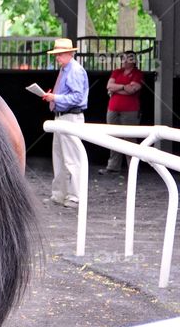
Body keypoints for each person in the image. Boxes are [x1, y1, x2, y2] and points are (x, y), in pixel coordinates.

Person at [42, 38, 89, 208]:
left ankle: (75, 195)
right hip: (62, 116)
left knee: (72, 159)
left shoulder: (74, 70)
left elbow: (77, 97)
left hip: (71, 117)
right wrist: (54, 98)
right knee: (60, 157)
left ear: (70, 53)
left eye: (60, 54)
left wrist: (55, 97)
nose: (57, 57)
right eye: (56, 54)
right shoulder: (65, 69)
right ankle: (60, 194)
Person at [98, 51, 143, 175]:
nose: (123, 61)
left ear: (133, 61)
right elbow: (109, 86)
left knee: (130, 138)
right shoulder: (116, 71)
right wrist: (124, 87)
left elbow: (133, 89)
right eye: (123, 58)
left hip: (130, 110)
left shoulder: (137, 73)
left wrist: (117, 89)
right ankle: (113, 167)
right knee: (113, 137)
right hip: (113, 109)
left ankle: (133, 168)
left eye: (127, 59)